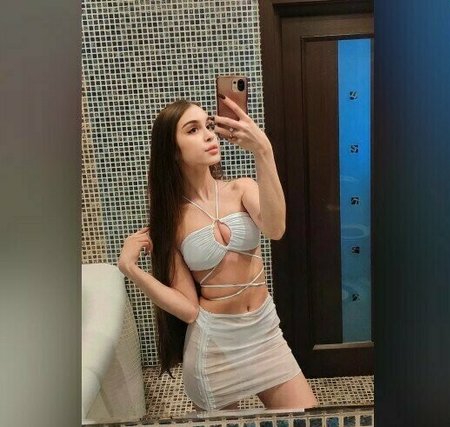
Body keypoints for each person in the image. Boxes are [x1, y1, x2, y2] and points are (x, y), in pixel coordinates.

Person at [117, 95, 318, 411]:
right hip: (215, 348)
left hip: (265, 334)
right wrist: (131, 269)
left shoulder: (241, 188)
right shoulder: (172, 221)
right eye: (193, 129)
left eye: (209, 125)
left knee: (309, 417)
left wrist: (263, 151)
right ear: (173, 150)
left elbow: (276, 228)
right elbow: (188, 310)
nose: (209, 135)